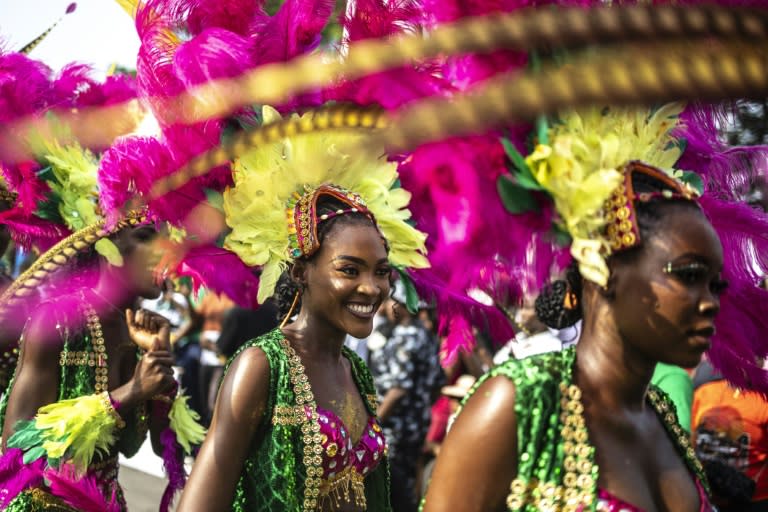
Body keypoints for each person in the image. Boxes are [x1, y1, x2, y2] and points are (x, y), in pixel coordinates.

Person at [422, 101, 737, 511]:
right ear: (604, 268)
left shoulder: (663, 419)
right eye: (688, 275)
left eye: (716, 285)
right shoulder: (519, 402)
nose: (710, 303)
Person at [177, 105, 428, 511]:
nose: (371, 287)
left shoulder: (354, 368)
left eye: (381, 272)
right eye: (349, 269)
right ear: (300, 273)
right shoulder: (263, 366)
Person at [0, 220, 180, 510]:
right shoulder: (56, 319)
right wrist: (129, 393)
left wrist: (160, 371)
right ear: (106, 246)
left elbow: (154, 447)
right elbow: (17, 445)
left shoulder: (143, 334)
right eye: (146, 237)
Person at [368, 287, 444, 512]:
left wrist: (372, 424)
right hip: (415, 424)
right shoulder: (423, 333)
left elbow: (398, 390)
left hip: (396, 428)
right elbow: (437, 382)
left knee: (392, 487)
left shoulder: (407, 337)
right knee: (405, 483)